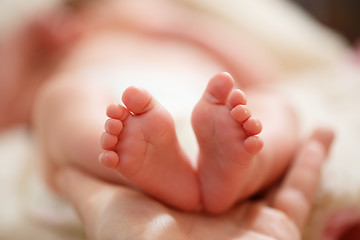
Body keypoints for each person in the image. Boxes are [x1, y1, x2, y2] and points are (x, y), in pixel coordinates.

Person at [4, 0, 296, 214]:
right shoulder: (64, 54)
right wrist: (24, 40)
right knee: (59, 97)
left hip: (205, 110)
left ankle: (247, 169)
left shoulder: (174, 34)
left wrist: (178, 27)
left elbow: (265, 75)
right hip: (108, 116)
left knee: (276, 104)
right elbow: (5, 111)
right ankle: (137, 165)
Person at [54, 127, 334, 240]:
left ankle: (243, 173)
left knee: (63, 102)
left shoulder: (107, 27)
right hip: (153, 129)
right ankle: (249, 173)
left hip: (140, 127)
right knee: (275, 108)